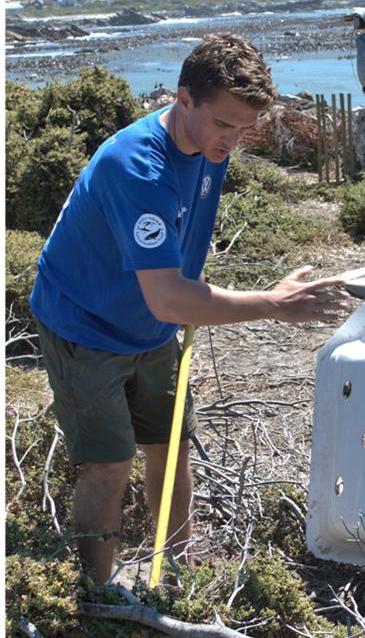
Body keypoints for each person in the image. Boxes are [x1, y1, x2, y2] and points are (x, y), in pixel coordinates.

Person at [30, 33, 348, 585]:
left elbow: (179, 263)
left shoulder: (208, 146)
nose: (233, 140)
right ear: (182, 99)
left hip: (153, 328)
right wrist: (272, 304)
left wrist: (196, 293)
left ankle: (173, 571)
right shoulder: (136, 169)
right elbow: (170, 296)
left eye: (246, 129)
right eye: (225, 124)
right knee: (108, 465)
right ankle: (95, 597)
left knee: (169, 445)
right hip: (86, 327)